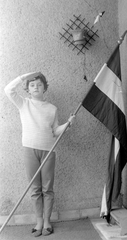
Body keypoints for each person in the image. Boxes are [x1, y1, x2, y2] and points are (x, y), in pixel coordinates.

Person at [4, 72, 75, 237]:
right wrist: (27, 76)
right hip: (29, 150)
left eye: (39, 84)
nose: (36, 87)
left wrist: (68, 124)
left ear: (45, 87)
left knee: (47, 189)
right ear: (28, 89)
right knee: (34, 189)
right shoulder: (24, 103)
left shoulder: (52, 108)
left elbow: (56, 131)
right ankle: (39, 222)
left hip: (49, 151)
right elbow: (8, 89)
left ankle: (47, 221)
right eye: (32, 85)